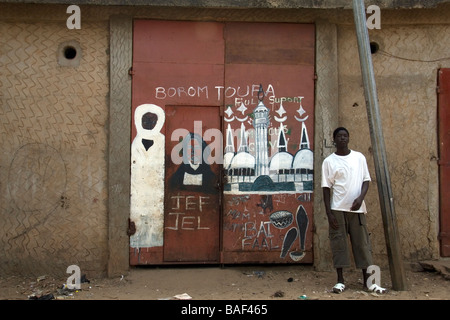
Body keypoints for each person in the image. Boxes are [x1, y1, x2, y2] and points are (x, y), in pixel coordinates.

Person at [321, 127, 386, 294]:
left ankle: (369, 282)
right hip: (337, 209)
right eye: (339, 136)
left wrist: (360, 199)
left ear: (348, 138)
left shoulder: (359, 157)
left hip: (357, 210)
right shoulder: (329, 161)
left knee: (363, 245)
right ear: (334, 140)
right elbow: (326, 188)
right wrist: (329, 213)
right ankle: (340, 281)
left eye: (345, 136)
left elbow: (366, 180)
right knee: (339, 245)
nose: (343, 139)